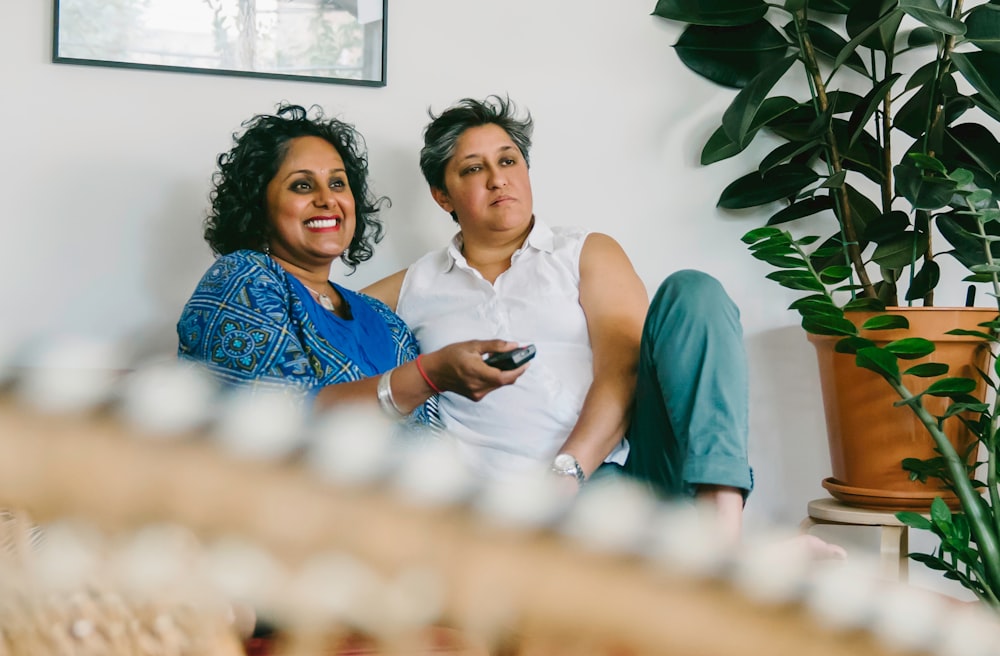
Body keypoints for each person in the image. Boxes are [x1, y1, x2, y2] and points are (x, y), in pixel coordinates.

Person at [363, 95, 753, 544]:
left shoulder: (584, 251)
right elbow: (320, 321)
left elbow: (623, 369)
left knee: (694, 290)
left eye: (508, 160)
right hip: (497, 504)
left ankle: (723, 531)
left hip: (625, 468)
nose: (497, 179)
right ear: (441, 195)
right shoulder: (413, 286)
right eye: (473, 168)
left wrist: (564, 476)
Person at [176, 103, 528, 425]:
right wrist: (428, 375)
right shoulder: (243, 279)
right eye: (301, 185)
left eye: (337, 183)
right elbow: (277, 421)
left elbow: (427, 432)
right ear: (259, 207)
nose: (327, 199)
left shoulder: (386, 321)